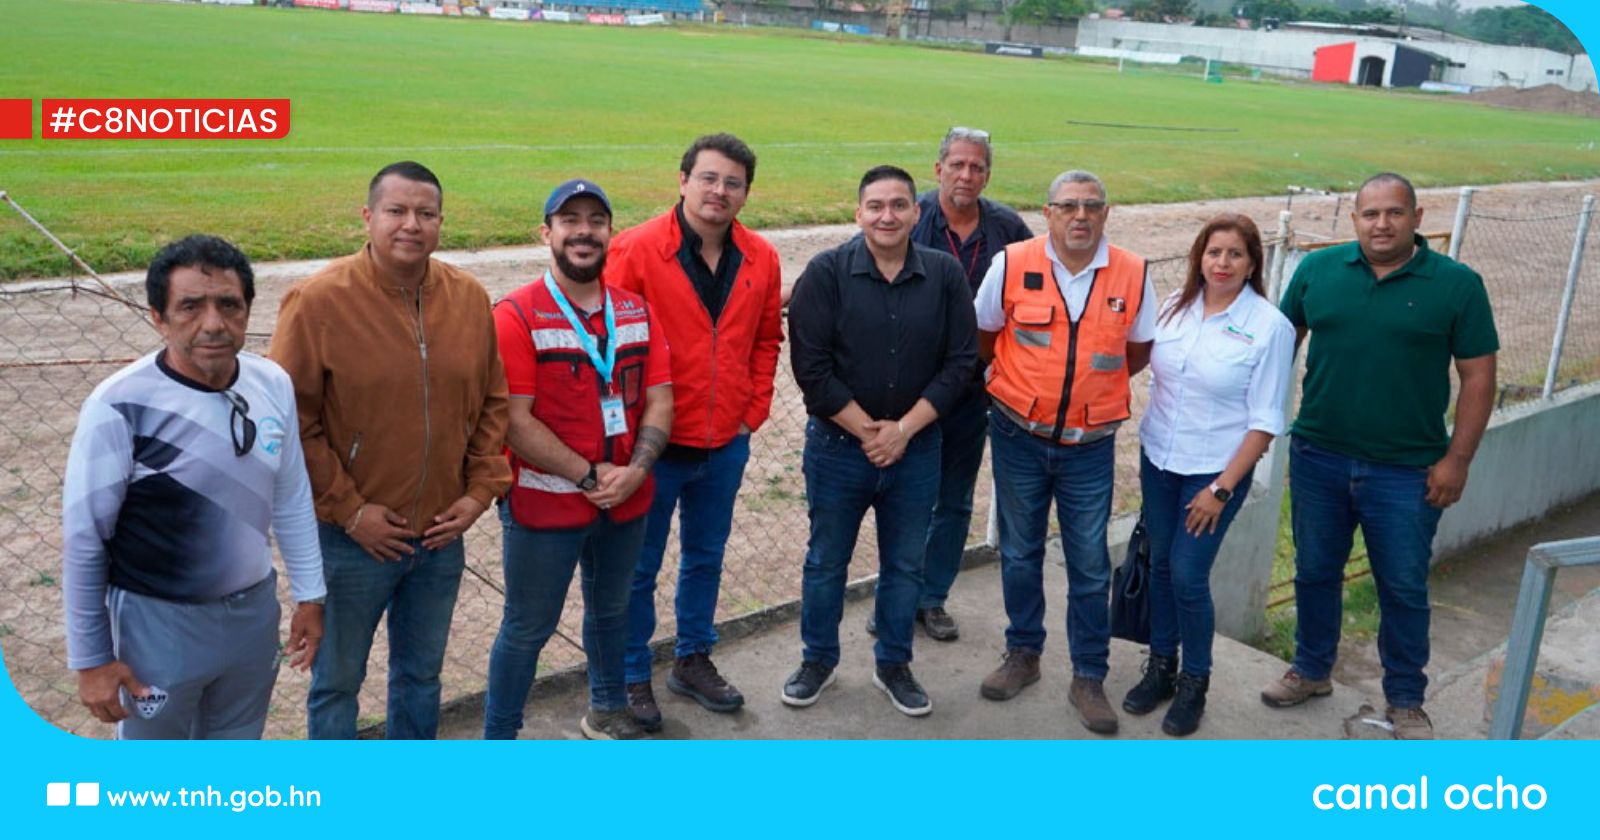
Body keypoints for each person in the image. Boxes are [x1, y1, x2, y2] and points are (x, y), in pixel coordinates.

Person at [271, 161, 512, 740]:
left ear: (440, 222)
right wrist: (352, 512)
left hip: (436, 536)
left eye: (425, 214)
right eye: (396, 211)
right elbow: (290, 422)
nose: (412, 225)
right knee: (336, 683)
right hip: (352, 543)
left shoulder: (468, 297)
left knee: (421, 678)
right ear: (368, 217)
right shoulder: (318, 302)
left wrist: (478, 493)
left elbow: (492, 402)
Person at [62, 234, 325, 739]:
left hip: (251, 616)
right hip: (155, 624)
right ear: (158, 318)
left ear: (248, 310)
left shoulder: (271, 383)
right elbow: (84, 538)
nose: (213, 324)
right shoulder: (120, 404)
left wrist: (311, 595)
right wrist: (92, 659)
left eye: (229, 305)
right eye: (190, 307)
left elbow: (290, 495)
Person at [1265, 172, 1497, 740]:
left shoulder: (1457, 285)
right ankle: (1312, 669)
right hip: (1319, 455)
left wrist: (1457, 460)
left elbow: (1478, 378)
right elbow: (1277, 342)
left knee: (1402, 584)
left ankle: (1405, 699)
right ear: (1355, 220)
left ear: (1417, 219)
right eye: (1370, 214)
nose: (1382, 224)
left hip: (1407, 469)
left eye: (1395, 213)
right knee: (1315, 571)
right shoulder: (1318, 271)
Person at [783, 165, 978, 717]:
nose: (887, 215)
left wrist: (903, 431)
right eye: (875, 206)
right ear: (858, 213)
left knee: (905, 565)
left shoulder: (943, 275)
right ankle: (817, 660)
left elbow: (962, 361)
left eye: (899, 205)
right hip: (838, 450)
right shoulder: (825, 273)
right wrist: (869, 432)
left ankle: (894, 663)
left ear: (917, 212)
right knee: (826, 563)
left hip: (916, 450)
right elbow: (811, 368)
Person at [606, 133, 784, 731]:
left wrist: (751, 412)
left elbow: (765, 340)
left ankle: (692, 659)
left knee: (705, 558)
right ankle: (631, 672)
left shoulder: (761, 256)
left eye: (733, 182)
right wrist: (628, 438)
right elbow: (609, 350)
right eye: (708, 178)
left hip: (725, 443)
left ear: (746, 194)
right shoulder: (633, 251)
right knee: (638, 568)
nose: (720, 191)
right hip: (652, 451)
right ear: (682, 180)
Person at [485, 179, 673, 740]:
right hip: (545, 507)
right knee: (527, 628)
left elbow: (661, 397)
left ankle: (607, 711)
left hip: (626, 499)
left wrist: (636, 470)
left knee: (613, 613)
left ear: (610, 232)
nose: (584, 231)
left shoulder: (636, 310)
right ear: (548, 233)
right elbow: (515, 422)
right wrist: (590, 476)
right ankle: (499, 739)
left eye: (596, 219)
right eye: (570, 220)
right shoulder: (516, 314)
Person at [974, 169, 1157, 735]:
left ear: (1107, 213)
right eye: (1068, 206)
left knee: (1089, 563)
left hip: (1090, 447)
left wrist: (1081, 401)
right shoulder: (1011, 261)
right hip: (1016, 437)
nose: (1081, 216)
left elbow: (1138, 351)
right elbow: (985, 333)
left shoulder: (1132, 271)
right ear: (1047, 212)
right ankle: (1023, 654)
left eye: (1092, 206)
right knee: (1021, 552)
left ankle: (1088, 675)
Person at [1121, 214, 1294, 736]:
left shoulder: (1269, 327)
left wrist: (1220, 490)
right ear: (1200, 256)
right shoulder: (1175, 308)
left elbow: (1266, 421)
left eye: (1235, 254)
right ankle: (1160, 668)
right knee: (1160, 568)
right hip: (1158, 461)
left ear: (1252, 264)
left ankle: (1195, 679)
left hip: (1215, 473)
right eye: (1214, 252)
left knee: (1188, 574)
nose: (1222, 263)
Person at [898, 126, 1032, 642]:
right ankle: (898, 593)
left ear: (987, 175)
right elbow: (854, 261)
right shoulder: (911, 216)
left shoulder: (1007, 229)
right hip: (909, 389)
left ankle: (932, 598)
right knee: (905, 499)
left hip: (972, 394)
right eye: (957, 165)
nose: (966, 175)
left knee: (954, 500)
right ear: (938, 170)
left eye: (976, 167)